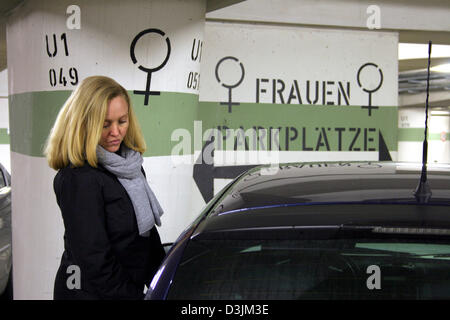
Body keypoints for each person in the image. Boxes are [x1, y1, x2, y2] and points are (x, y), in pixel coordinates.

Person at [44, 75, 166, 300]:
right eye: (105, 124)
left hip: (125, 289)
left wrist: (168, 282)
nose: (116, 132)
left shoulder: (130, 165)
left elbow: (146, 236)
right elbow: (95, 261)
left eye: (122, 121)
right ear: (84, 124)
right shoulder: (78, 178)